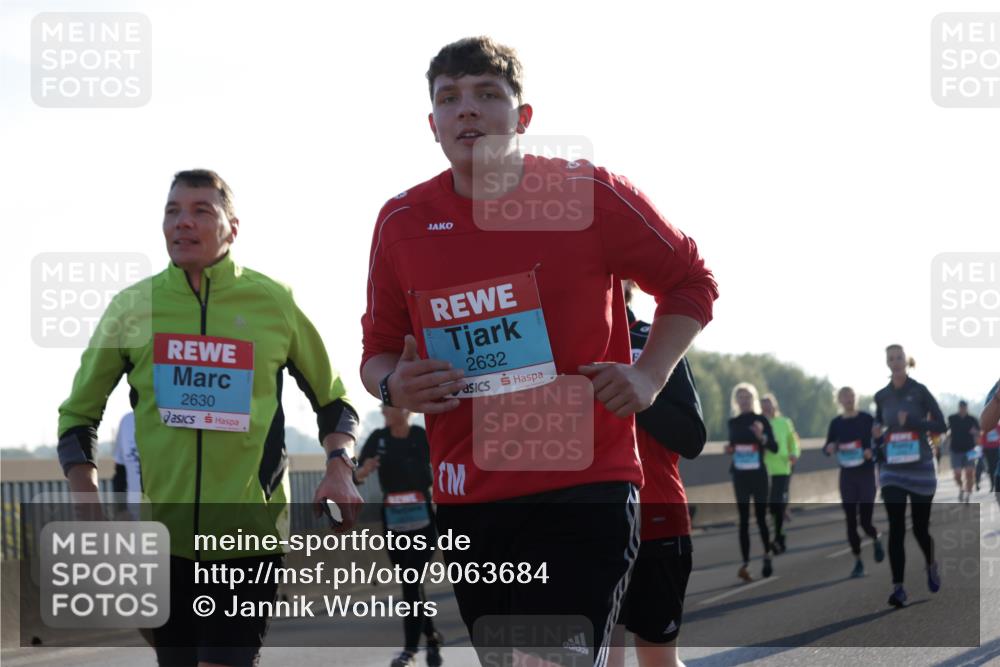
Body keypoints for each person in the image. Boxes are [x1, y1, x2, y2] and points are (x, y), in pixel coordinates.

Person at [359, 36, 718, 666]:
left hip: (584, 487)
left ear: (523, 116)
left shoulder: (588, 193)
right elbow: (378, 352)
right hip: (470, 499)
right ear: (433, 124)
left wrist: (649, 375)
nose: (467, 109)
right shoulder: (402, 221)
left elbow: (691, 280)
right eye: (449, 98)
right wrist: (395, 385)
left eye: (486, 94)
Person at [58, 169, 361, 667]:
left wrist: (339, 467)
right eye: (172, 211)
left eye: (201, 210)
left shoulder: (273, 301)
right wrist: (87, 503)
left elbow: (335, 402)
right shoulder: (132, 308)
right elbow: (78, 415)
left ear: (232, 228)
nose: (183, 222)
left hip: (249, 537)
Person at [608, 280, 705, 667]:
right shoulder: (558, 347)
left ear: (629, 282)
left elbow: (692, 438)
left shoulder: (656, 341)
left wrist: (638, 388)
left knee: (658, 660)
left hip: (657, 522)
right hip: (583, 527)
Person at [356, 407, 444, 667]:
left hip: (423, 521)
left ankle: (409, 651)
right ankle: (432, 637)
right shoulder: (378, 438)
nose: (384, 411)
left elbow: (443, 463)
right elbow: (356, 474)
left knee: (411, 581)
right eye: (383, 407)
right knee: (411, 583)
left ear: (405, 410)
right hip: (393, 523)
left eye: (389, 406)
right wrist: (364, 471)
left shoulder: (421, 436)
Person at [873, 344, 945, 608]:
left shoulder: (920, 391)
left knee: (919, 528)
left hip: (920, 467)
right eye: (891, 358)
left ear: (906, 361)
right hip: (892, 468)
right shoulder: (881, 396)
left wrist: (914, 422)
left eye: (899, 357)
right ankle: (898, 588)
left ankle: (930, 563)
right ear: (887, 363)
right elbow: (879, 425)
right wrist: (876, 434)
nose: (895, 361)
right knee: (895, 527)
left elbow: (941, 425)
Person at [822, 387, 884, 578]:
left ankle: (875, 537)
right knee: (850, 520)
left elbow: (880, 442)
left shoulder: (866, 419)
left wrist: (872, 452)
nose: (849, 400)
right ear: (839, 400)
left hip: (866, 475)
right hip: (847, 475)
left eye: (851, 396)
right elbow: (827, 447)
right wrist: (829, 448)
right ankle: (858, 561)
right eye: (845, 397)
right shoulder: (836, 423)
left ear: (856, 399)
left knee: (865, 521)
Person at [726, 383, 777, 582]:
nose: (744, 400)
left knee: (762, 518)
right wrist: (730, 449)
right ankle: (746, 564)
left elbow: (774, 447)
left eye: (747, 397)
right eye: (741, 397)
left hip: (759, 475)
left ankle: (767, 554)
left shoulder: (761, 420)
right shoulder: (733, 422)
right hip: (740, 475)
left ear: (753, 399)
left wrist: (761, 436)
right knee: (744, 520)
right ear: (736, 401)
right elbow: (734, 444)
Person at [760, 393, 799, 554]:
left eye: (768, 404)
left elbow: (792, 441)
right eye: (763, 404)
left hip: (782, 467)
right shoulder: (759, 424)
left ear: (774, 405)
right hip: (764, 467)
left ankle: (779, 538)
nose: (766, 407)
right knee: (771, 506)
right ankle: (779, 534)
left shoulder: (784, 422)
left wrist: (794, 453)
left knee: (776, 504)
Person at [947, 401, 980, 503]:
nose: (963, 409)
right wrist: (948, 435)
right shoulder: (952, 418)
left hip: (971, 449)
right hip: (955, 449)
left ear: (966, 408)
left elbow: (979, 432)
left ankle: (968, 495)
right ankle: (962, 488)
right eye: (961, 407)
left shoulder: (972, 419)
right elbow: (947, 430)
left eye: (964, 407)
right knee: (957, 474)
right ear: (959, 407)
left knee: (970, 473)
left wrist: (975, 432)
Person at [112, 405, 142, 517]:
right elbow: (120, 471)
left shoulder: (175, 418)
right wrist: (121, 509)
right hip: (134, 514)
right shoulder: (127, 421)